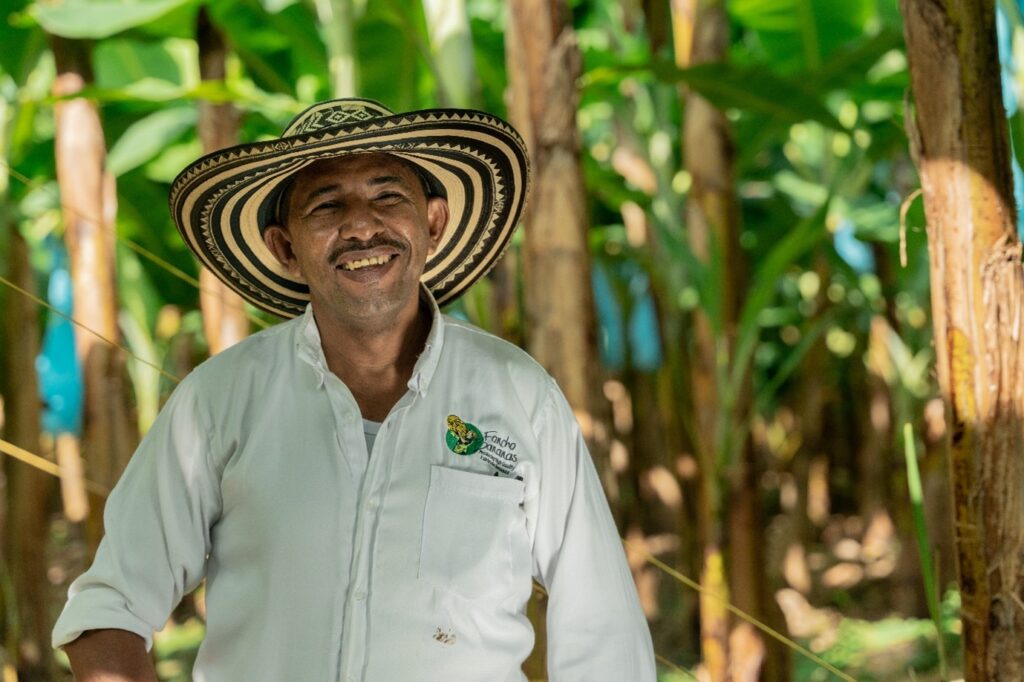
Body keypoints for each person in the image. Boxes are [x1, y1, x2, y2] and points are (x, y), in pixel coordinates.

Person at [53, 99, 656, 681]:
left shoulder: (520, 397)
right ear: (285, 249)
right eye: (326, 205)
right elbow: (109, 611)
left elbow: (603, 636)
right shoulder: (219, 402)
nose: (362, 225)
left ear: (434, 222)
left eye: (388, 195)